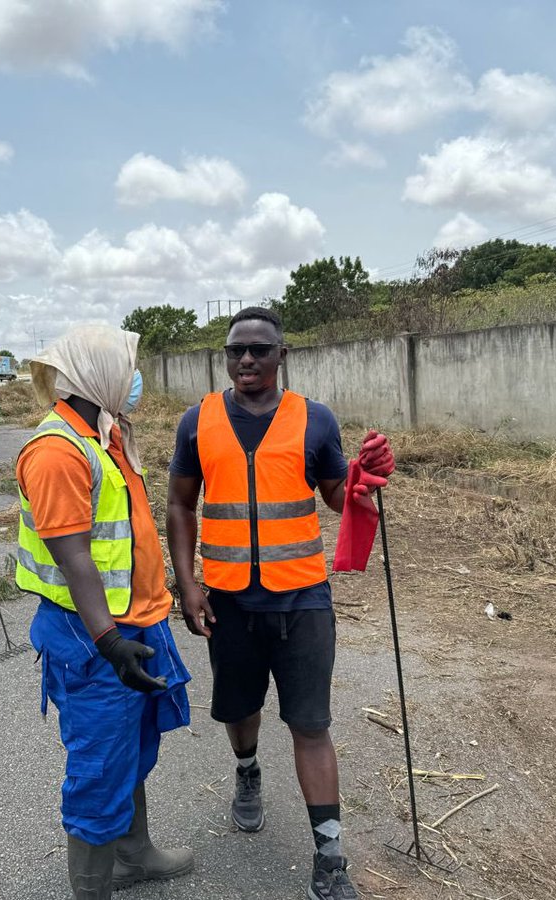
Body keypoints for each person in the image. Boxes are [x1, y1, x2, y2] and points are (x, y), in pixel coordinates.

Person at [167, 306, 392, 900]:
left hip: (303, 600)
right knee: (239, 711)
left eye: (260, 349)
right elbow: (181, 505)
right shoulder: (198, 422)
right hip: (230, 602)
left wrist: (364, 484)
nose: (247, 359)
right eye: (237, 350)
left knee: (311, 723)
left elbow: (342, 499)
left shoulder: (315, 421)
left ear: (281, 355)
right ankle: (247, 771)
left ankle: (330, 854)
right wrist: (187, 584)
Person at [16, 325, 192, 900]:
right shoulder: (57, 450)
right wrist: (109, 641)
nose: (134, 380)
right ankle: (93, 889)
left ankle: (133, 855)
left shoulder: (105, 435)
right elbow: (73, 557)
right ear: (99, 375)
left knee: (132, 749)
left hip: (134, 623)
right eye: (126, 367)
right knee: (98, 767)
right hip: (93, 639)